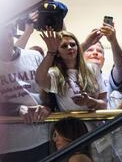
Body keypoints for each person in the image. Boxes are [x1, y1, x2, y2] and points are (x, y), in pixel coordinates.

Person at [0, 24, 50, 162]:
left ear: (12, 34)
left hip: (41, 137)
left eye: (7, 35)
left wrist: (48, 106)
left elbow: (50, 90)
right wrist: (16, 109)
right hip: (9, 145)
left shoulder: (34, 56)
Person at [35, 28, 107, 112]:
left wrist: (90, 101)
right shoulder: (55, 73)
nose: (69, 47)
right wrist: (51, 52)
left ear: (78, 48)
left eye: (73, 45)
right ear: (57, 53)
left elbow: (104, 104)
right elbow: (39, 79)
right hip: (70, 124)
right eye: (64, 46)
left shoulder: (92, 68)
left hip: (96, 124)